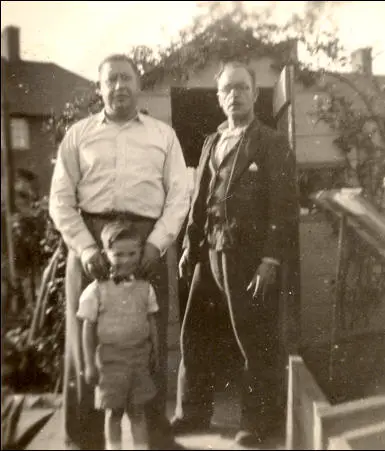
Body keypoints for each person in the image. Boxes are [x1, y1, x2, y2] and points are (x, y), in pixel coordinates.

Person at [49, 53, 190, 449]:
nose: (119, 87)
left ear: (139, 84)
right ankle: (84, 440)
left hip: (145, 244)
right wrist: (85, 246)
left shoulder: (163, 135)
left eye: (126, 78)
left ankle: (156, 437)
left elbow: (180, 195)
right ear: (99, 88)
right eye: (110, 80)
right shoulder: (78, 135)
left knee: (148, 339)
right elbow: (60, 199)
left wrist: (157, 243)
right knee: (86, 339)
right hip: (92, 243)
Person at [170, 61, 299, 446]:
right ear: (219, 97)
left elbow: (284, 207)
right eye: (227, 89)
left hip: (249, 258)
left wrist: (270, 259)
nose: (234, 95)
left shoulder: (272, 143)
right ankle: (191, 412)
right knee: (195, 334)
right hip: (210, 250)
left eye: (242, 87)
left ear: (255, 94)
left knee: (254, 339)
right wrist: (190, 248)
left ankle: (259, 424)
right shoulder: (212, 141)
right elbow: (201, 200)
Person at [78, 220, 159, 450]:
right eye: (118, 254)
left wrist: (156, 350)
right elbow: (87, 327)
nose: (126, 260)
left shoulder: (146, 288)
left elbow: (151, 320)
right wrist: (89, 365)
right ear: (105, 254)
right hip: (110, 361)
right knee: (113, 412)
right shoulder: (96, 290)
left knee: (138, 410)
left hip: (139, 358)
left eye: (132, 253)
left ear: (140, 252)